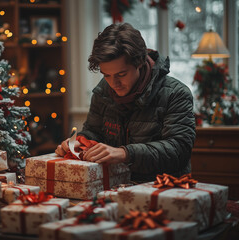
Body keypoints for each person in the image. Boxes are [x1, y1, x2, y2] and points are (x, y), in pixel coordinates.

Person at [55, 23, 196, 182]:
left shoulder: (176, 94)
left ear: (140, 62)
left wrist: (125, 153)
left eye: (121, 74)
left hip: (165, 189)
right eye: (106, 75)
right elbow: (93, 132)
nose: (114, 83)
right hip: (115, 187)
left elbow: (179, 151)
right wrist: (78, 142)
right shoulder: (103, 92)